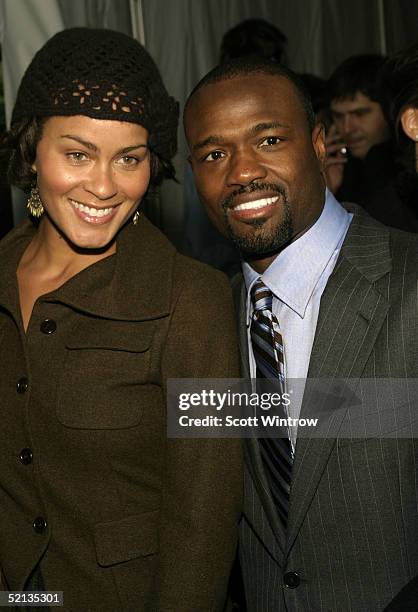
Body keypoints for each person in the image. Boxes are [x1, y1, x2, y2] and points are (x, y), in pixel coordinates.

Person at [0, 28, 242, 611]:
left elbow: (204, 524)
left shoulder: (193, 299)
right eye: (77, 154)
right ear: (32, 152)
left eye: (129, 159)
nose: (105, 186)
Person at [184, 56, 417, 611]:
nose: (241, 172)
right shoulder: (199, 318)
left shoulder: (409, 283)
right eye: (214, 154)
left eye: (267, 140)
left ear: (317, 143)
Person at [325, 54, 418, 231]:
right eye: (338, 116)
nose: (347, 128)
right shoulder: (341, 168)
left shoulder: (405, 171)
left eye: (360, 114)